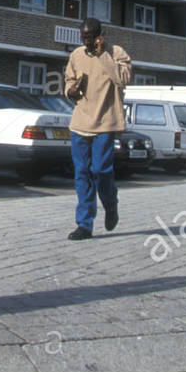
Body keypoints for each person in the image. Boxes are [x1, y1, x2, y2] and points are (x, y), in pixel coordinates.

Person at [62, 17, 131, 240]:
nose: (87, 43)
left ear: (101, 35)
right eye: (83, 38)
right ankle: (85, 224)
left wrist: (103, 55)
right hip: (80, 122)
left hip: (106, 122)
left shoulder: (117, 53)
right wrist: (69, 91)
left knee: (100, 171)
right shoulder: (76, 55)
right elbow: (68, 80)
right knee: (82, 173)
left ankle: (111, 205)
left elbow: (122, 80)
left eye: (90, 38)